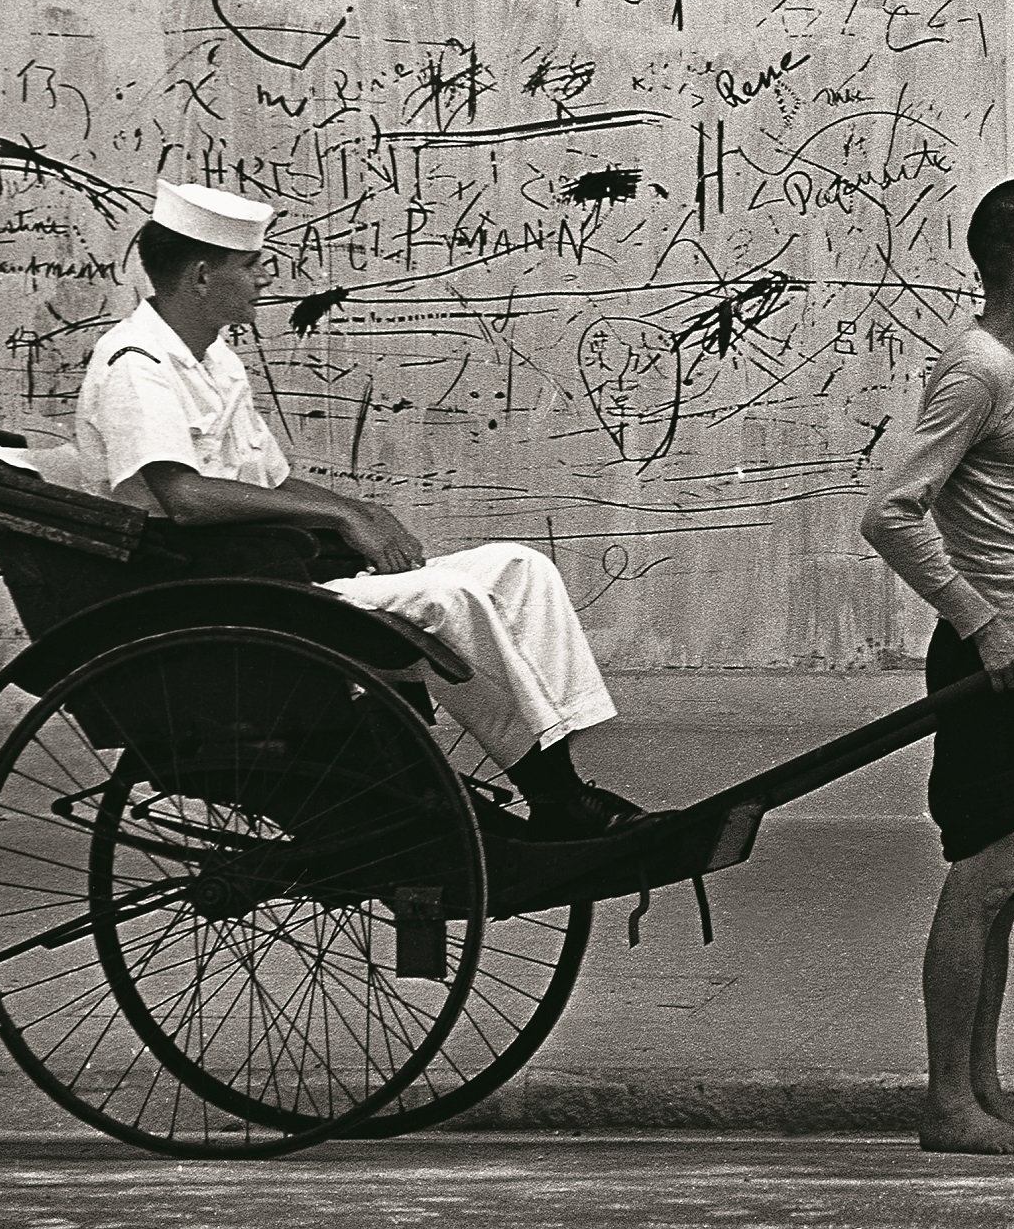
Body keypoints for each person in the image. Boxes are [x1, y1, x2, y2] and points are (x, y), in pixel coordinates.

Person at [73, 180, 641, 841]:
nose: (265, 279)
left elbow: (273, 481)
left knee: (520, 568)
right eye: (251, 265)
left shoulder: (213, 358)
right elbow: (183, 495)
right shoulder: (137, 364)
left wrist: (359, 509)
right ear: (201, 276)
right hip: (221, 595)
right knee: (449, 600)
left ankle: (557, 783)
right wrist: (341, 520)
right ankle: (559, 798)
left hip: (271, 573)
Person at [860, 176, 1014, 1155]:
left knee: (1008, 889)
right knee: (982, 876)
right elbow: (892, 514)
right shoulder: (977, 369)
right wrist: (985, 622)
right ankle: (945, 1102)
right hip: (992, 660)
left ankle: (983, 1089)